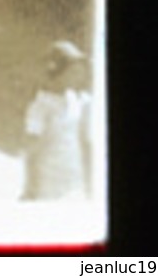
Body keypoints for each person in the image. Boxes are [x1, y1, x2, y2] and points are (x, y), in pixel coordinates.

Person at [21, 40, 94, 201]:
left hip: (75, 179)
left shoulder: (78, 100)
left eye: (79, 72)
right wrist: (31, 186)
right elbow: (32, 150)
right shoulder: (41, 105)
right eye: (72, 72)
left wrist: (89, 184)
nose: (78, 77)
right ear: (57, 72)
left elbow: (85, 140)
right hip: (49, 182)